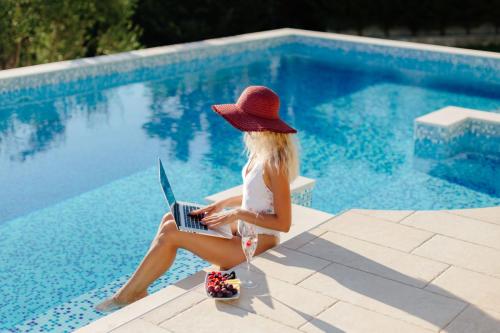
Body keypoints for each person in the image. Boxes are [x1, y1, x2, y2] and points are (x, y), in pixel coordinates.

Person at [96, 85, 299, 311]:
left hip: (257, 244)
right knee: (170, 219)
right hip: (244, 230)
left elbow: (284, 223)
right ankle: (136, 289)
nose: (242, 127)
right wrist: (221, 205)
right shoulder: (260, 151)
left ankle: (126, 296)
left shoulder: (275, 163)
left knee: (172, 233)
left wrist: (238, 213)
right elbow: (258, 194)